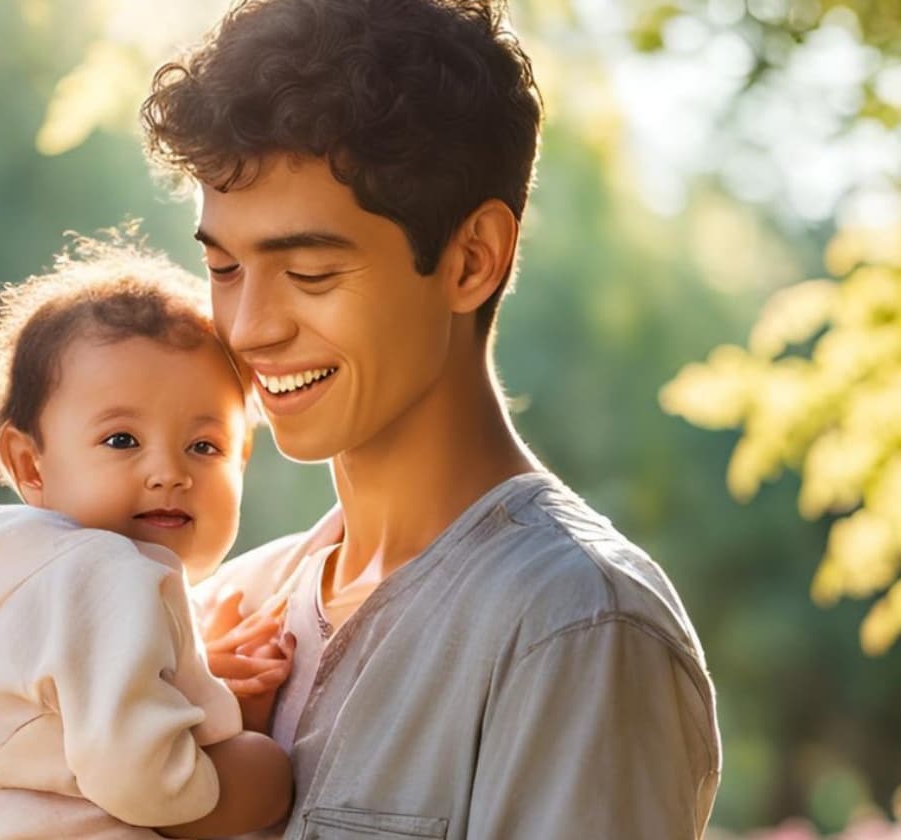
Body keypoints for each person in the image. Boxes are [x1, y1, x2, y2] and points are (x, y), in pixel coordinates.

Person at [140, 1, 723, 838]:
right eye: (224, 266)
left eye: (307, 272)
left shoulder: (577, 631)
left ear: (473, 259)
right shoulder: (229, 606)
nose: (246, 327)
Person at [0, 237, 293, 839]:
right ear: (31, 466)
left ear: (242, 459)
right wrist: (236, 755)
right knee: (265, 769)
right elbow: (135, 777)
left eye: (204, 446)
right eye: (122, 440)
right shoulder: (109, 568)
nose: (168, 472)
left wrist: (193, 690)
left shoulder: (7, 564)